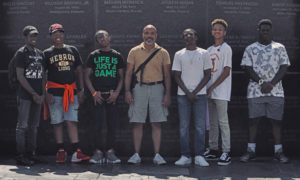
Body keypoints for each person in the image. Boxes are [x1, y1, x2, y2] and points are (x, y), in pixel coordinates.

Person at [240, 19, 290, 163]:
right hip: (255, 92)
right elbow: (247, 68)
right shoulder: (250, 48)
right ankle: (250, 151)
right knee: (253, 122)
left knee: (276, 122)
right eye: (263, 30)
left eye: (268, 30)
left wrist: (272, 84)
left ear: (271, 31)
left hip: (276, 92)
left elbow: (284, 67)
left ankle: (278, 152)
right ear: (258, 30)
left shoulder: (280, 47)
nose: (265, 32)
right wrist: (262, 83)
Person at [124, 24, 171, 165]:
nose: (149, 35)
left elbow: (167, 75)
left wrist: (168, 94)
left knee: (156, 123)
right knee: (137, 122)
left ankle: (157, 155)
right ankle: (136, 154)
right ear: (142, 35)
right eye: (146, 33)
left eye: (152, 33)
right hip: (139, 88)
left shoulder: (163, 52)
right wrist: (127, 91)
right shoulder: (134, 51)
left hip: (158, 88)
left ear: (156, 35)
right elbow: (128, 73)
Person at [43, 23, 90, 163]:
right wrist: (46, 92)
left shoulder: (72, 50)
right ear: (51, 36)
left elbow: (79, 71)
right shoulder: (47, 53)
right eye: (55, 33)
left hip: (71, 92)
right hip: (54, 92)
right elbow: (43, 74)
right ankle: (61, 151)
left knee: (71, 121)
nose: (58, 35)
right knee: (57, 122)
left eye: (60, 33)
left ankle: (76, 152)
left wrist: (81, 89)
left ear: (63, 34)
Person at [172, 28, 212, 166]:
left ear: (196, 37)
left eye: (191, 34)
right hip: (183, 96)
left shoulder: (204, 53)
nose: (188, 36)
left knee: (200, 126)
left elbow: (208, 75)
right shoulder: (179, 54)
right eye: (185, 35)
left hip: (199, 96)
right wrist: (188, 93)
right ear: (183, 38)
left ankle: (200, 155)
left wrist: (194, 92)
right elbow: (176, 76)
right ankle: (185, 155)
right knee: (184, 126)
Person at [85, 30, 124, 164]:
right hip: (98, 96)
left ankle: (110, 152)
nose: (102, 39)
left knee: (112, 125)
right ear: (97, 41)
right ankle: (97, 152)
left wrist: (116, 93)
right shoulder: (93, 56)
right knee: (97, 125)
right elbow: (86, 77)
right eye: (99, 38)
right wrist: (94, 93)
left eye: (104, 36)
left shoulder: (117, 55)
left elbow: (121, 78)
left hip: (112, 95)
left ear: (110, 38)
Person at [14, 25, 45, 166]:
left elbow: (44, 75)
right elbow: (20, 76)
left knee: (34, 126)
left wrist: (42, 94)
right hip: (25, 95)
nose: (34, 38)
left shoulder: (40, 53)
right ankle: (20, 155)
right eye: (31, 35)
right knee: (23, 126)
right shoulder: (21, 53)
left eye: (35, 35)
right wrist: (32, 93)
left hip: (38, 95)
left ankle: (31, 154)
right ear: (25, 37)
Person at [204, 19, 232, 166]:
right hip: (210, 92)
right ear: (211, 31)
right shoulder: (208, 50)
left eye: (220, 29)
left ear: (224, 32)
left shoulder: (227, 49)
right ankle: (214, 149)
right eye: (215, 29)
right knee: (213, 123)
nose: (217, 32)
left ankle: (226, 151)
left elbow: (226, 71)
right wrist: (208, 88)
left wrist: (213, 87)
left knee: (223, 122)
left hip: (221, 92)